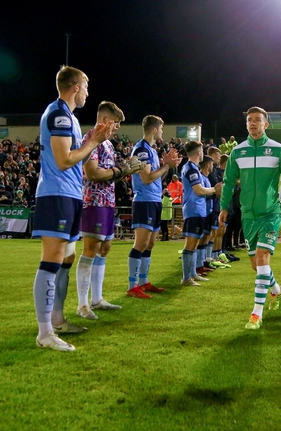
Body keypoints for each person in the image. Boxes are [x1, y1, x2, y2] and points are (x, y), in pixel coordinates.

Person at [31, 66, 115, 352]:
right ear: (76, 86)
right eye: (87, 86)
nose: (88, 92)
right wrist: (93, 143)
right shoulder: (58, 114)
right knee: (52, 260)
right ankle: (45, 333)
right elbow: (65, 159)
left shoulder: (68, 117)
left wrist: (93, 139)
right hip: (56, 195)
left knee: (65, 259)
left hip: (69, 195)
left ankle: (57, 319)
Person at [219, 107, 281, 330]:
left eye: (257, 120)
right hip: (248, 216)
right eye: (249, 120)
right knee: (256, 265)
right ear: (246, 125)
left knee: (263, 258)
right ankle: (276, 289)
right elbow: (227, 182)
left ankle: (256, 313)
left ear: (266, 125)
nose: (253, 124)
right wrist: (224, 207)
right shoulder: (238, 152)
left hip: (270, 214)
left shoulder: (278, 150)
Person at [75, 101, 140, 321]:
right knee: (91, 249)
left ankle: (97, 298)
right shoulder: (90, 140)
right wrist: (119, 170)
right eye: (115, 124)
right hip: (93, 200)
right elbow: (92, 173)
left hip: (108, 201)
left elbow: (110, 173)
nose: (116, 128)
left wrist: (124, 168)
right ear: (103, 120)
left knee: (105, 248)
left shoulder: (109, 145)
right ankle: (82, 304)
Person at [126, 115, 182, 299]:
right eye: (162, 129)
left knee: (150, 243)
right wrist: (167, 165)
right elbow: (147, 177)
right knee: (141, 243)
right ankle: (132, 285)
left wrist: (166, 164)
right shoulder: (142, 149)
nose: (163, 133)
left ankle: (143, 281)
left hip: (154, 200)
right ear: (155, 129)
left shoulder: (150, 149)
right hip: (144, 201)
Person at [179, 147, 222, 286]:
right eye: (202, 151)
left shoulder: (193, 168)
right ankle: (186, 278)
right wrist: (215, 190)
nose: (203, 153)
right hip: (193, 210)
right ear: (198, 153)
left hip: (199, 210)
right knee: (191, 244)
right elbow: (198, 190)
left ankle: (192, 274)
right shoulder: (190, 168)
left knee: (195, 243)